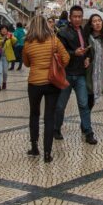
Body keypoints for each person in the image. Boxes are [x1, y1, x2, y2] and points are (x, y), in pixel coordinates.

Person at [22, 17, 69, 163]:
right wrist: (57, 65)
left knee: (34, 114)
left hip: (34, 83)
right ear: (46, 26)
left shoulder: (28, 43)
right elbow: (66, 58)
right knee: (49, 117)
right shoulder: (54, 40)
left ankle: (34, 147)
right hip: (51, 82)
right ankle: (47, 153)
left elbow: (26, 63)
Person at [54, 6, 95, 144]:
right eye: (75, 16)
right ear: (70, 17)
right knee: (61, 105)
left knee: (84, 104)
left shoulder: (84, 32)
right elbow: (59, 52)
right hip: (66, 73)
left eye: (79, 16)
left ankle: (88, 131)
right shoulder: (62, 33)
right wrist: (74, 53)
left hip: (80, 73)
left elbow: (89, 50)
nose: (77, 19)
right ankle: (56, 128)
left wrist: (88, 58)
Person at [0, 25, 16, 91]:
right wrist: (1, 41)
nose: (4, 30)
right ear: (0, 30)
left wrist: (11, 36)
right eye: (2, 29)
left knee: (5, 72)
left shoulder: (10, 37)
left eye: (5, 29)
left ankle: (4, 82)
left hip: (6, 57)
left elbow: (15, 41)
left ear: (7, 30)